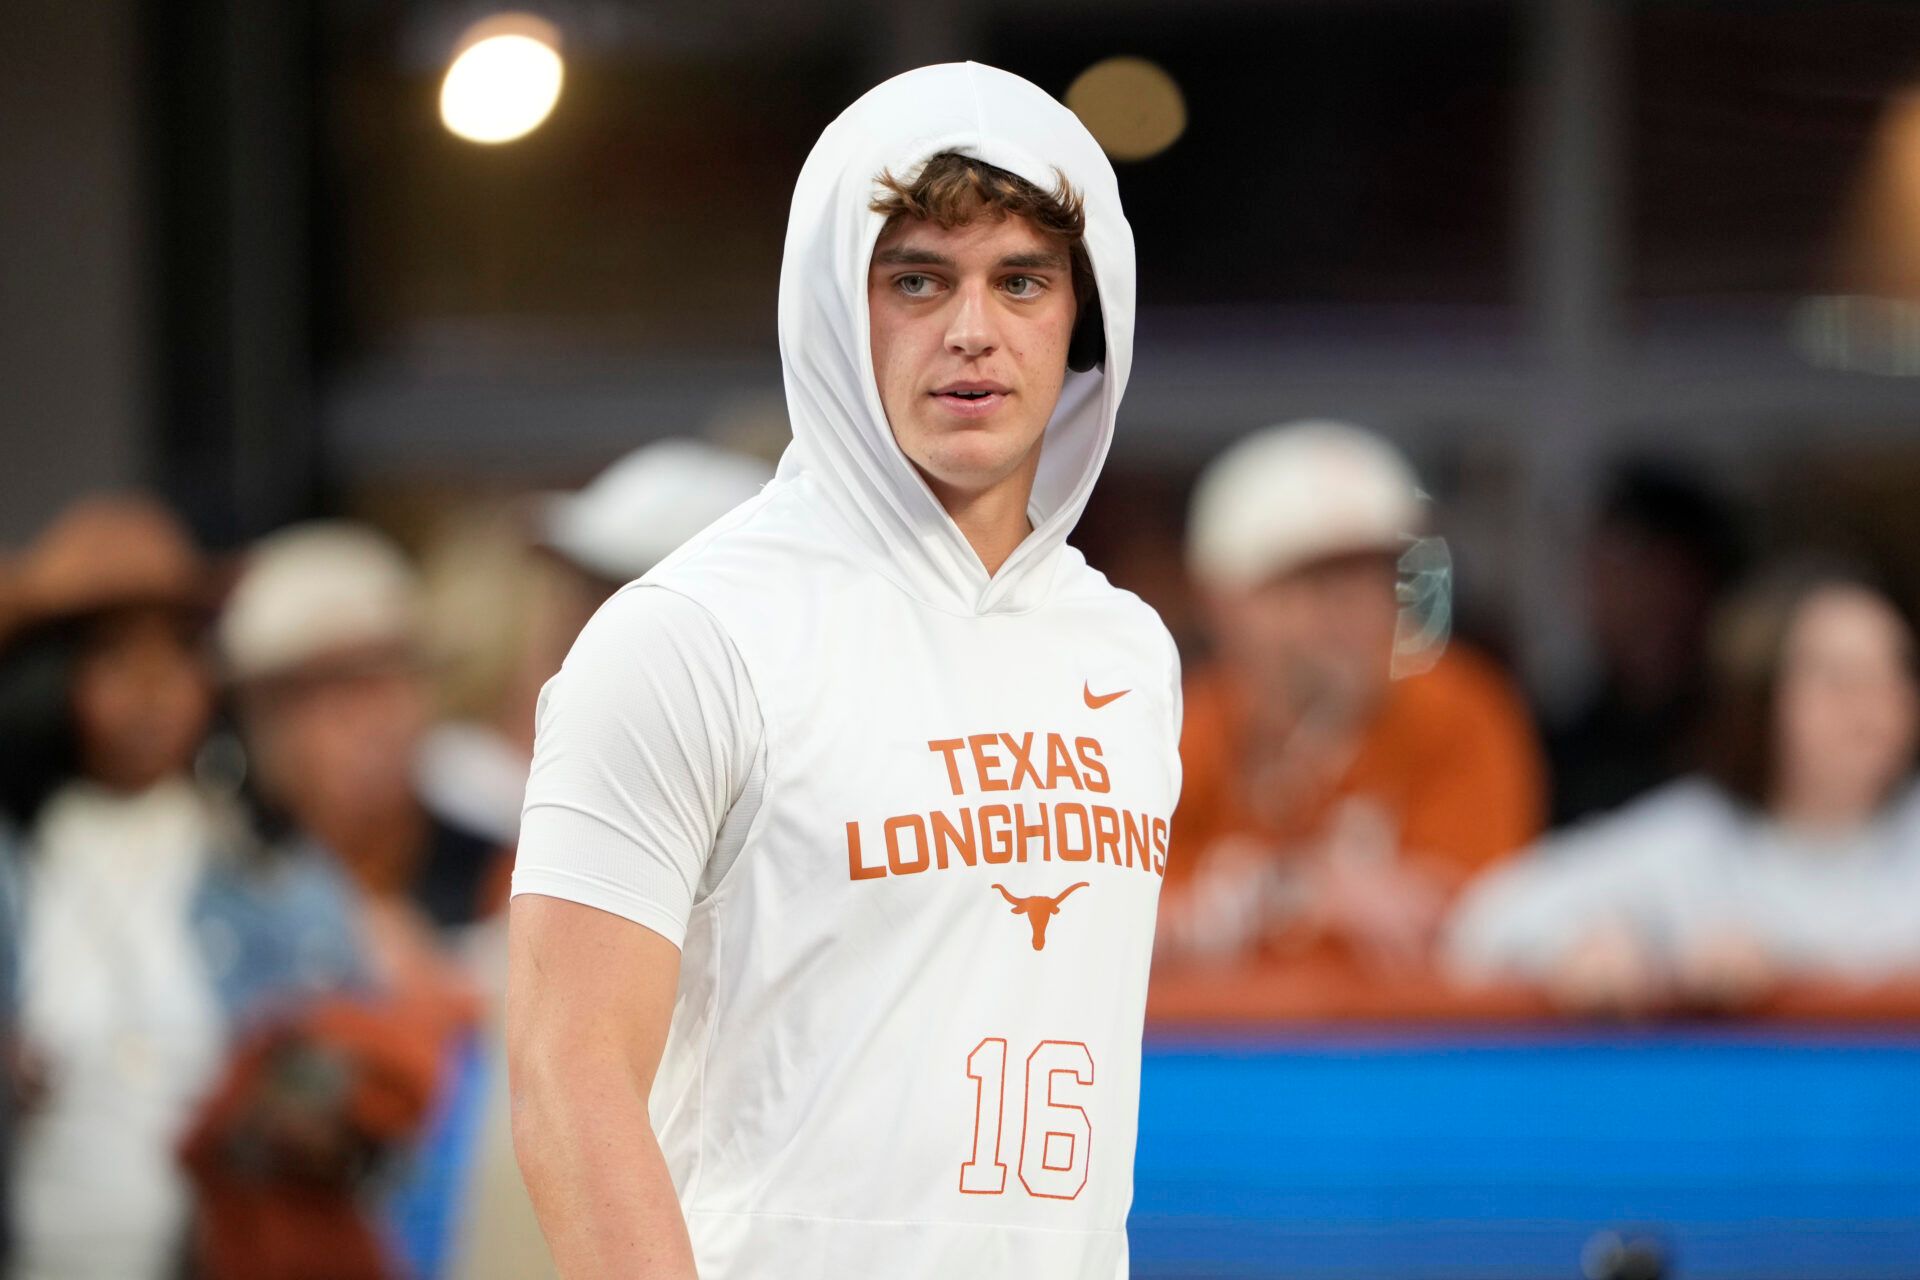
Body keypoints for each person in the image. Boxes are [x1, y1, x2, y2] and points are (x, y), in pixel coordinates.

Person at [508, 62, 1180, 1280]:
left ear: (1085, 316)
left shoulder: (1129, 653)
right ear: (832, 306)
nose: (972, 328)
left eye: (1021, 280)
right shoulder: (686, 638)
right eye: (917, 279)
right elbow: (568, 1074)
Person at [0, 496, 383, 1280]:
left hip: (228, 1249)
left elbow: (355, 1038)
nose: (151, 690)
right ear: (49, 680)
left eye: (175, 655)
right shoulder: (20, 863)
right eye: (115, 659)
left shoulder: (264, 864)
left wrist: (296, 1101)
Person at [1158, 421, 1545, 979]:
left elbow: (1477, 923)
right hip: (1215, 1036)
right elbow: (1113, 923)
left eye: (1375, 577)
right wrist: (1298, 891)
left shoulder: (1457, 710)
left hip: (1404, 1033)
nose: (1355, 609)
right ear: (1223, 601)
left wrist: (1245, 910)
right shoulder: (1170, 729)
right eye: (1315, 583)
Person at [1447, 566, 1920, 1017]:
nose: (1872, 706)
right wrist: (1587, 945)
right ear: (1760, 698)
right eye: (1839, 679)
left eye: (1894, 675)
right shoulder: (1694, 839)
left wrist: (1782, 959)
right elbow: (1486, 921)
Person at [1544, 460, 1744, 826]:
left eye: (1664, 574)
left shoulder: (1746, 741)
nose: (1636, 600)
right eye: (1614, 575)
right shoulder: (1555, 751)